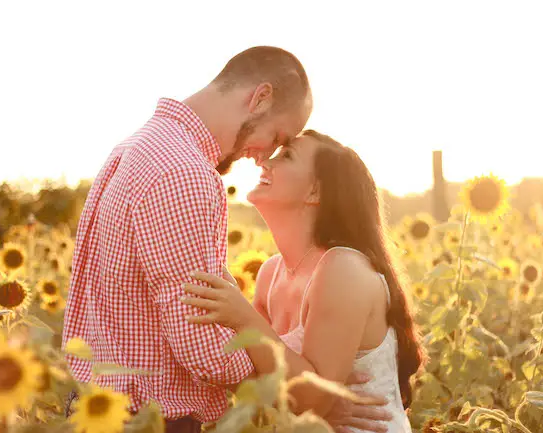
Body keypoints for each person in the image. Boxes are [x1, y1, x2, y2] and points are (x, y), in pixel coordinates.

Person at [61, 47, 390, 432]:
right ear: (260, 97)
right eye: (278, 137)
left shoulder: (139, 146)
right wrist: (305, 393)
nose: (264, 155)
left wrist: (304, 391)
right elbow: (201, 347)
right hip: (150, 420)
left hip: (103, 409)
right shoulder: (183, 172)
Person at [182, 130, 425, 432]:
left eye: (286, 156)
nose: (265, 163)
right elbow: (259, 381)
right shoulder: (271, 273)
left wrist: (243, 318)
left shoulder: (344, 268)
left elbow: (310, 400)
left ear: (315, 192)